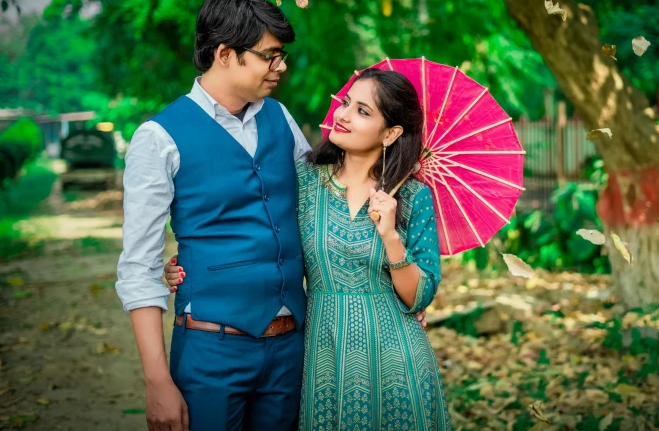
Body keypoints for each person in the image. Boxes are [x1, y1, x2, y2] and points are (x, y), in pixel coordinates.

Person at [167, 68, 451, 430]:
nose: (344, 115)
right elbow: (261, 235)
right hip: (322, 353)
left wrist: (391, 236)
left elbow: (419, 297)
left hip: (395, 356)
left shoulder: (411, 196)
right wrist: (188, 264)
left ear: (391, 133)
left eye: (363, 111)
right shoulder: (303, 180)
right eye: (347, 103)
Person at [115, 0, 312, 431]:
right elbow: (139, 268)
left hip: (290, 352)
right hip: (211, 353)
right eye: (269, 56)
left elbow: (322, 209)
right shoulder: (159, 137)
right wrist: (156, 382)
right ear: (226, 53)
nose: (280, 67)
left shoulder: (280, 118)